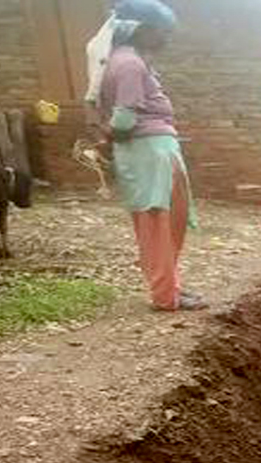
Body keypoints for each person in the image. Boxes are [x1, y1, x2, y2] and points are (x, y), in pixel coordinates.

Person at [94, 0, 206, 311]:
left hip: (149, 152)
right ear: (140, 30)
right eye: (162, 32)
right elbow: (124, 120)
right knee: (158, 222)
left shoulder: (123, 60)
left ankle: (170, 287)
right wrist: (107, 137)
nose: (166, 39)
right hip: (149, 153)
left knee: (166, 223)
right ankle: (165, 295)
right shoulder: (130, 65)